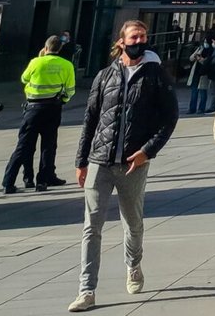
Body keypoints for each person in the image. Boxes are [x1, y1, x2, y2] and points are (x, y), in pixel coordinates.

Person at [69, 17, 179, 313]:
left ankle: (133, 264)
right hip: (99, 161)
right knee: (91, 227)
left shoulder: (155, 75)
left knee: (133, 223)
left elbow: (169, 119)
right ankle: (86, 290)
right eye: (133, 37)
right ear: (121, 42)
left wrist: (146, 151)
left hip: (133, 164)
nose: (139, 41)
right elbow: (90, 119)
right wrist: (81, 161)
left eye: (142, 36)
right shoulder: (105, 75)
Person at [4, 34, 75, 192]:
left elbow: (24, 78)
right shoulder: (67, 65)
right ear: (60, 48)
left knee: (23, 145)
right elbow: (70, 90)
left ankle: (8, 182)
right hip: (53, 108)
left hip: (33, 108)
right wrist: (63, 100)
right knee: (48, 145)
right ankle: (43, 181)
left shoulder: (36, 62)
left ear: (46, 47)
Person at [184, 35, 215, 118]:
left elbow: (207, 63)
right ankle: (192, 108)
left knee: (203, 92)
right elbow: (191, 58)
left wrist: (201, 59)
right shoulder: (200, 49)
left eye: (206, 42)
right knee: (194, 92)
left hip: (203, 75)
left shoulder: (211, 51)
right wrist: (197, 53)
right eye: (204, 41)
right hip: (195, 74)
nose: (205, 43)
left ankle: (201, 108)